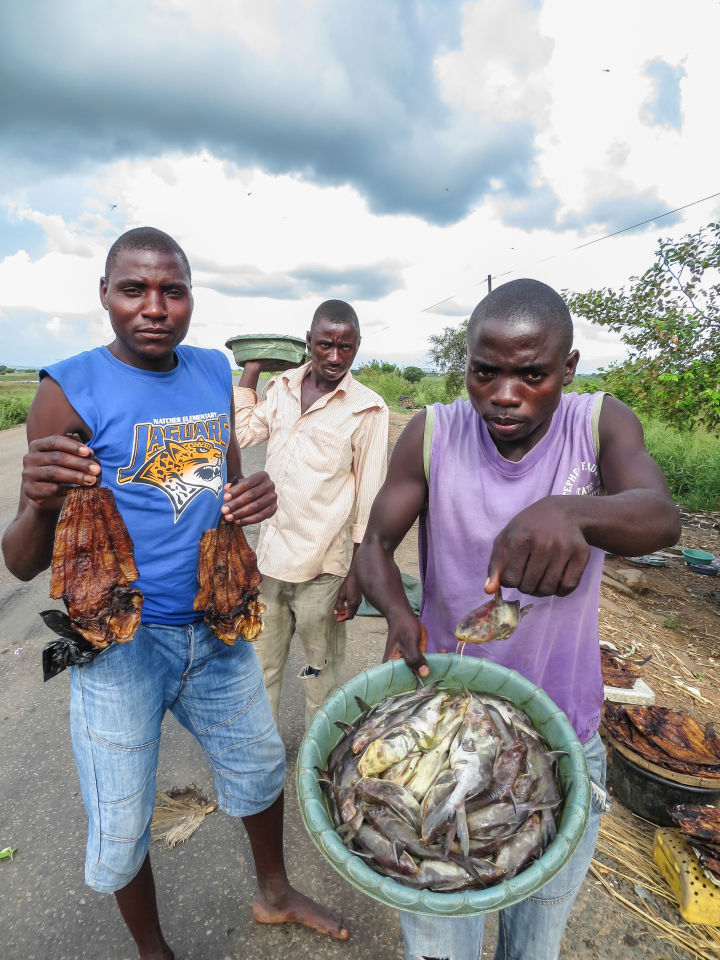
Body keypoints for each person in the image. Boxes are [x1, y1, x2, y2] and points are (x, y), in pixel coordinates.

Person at [1, 227, 348, 959]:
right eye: (134, 289)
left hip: (215, 629)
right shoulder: (67, 388)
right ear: (105, 295)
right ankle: (154, 952)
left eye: (173, 290)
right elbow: (22, 562)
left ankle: (274, 894)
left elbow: (221, 482)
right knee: (124, 820)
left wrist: (252, 495)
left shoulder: (209, 372)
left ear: (192, 298)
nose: (154, 306)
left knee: (258, 769)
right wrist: (36, 505)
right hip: (119, 645)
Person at [355, 278, 680, 960]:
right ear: (466, 366)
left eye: (532, 374)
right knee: (442, 938)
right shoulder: (433, 433)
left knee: (535, 942)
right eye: (486, 372)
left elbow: (659, 516)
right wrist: (396, 613)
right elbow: (375, 546)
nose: (505, 394)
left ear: (567, 368)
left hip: (566, 734)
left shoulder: (599, 424)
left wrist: (572, 512)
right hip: (445, 731)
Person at [234, 300, 388, 729]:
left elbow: (371, 503)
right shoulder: (281, 387)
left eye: (346, 347)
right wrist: (252, 369)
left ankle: (318, 760)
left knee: (318, 677)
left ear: (357, 347)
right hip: (270, 564)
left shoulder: (368, 408)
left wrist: (356, 578)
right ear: (309, 343)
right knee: (261, 669)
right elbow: (244, 432)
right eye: (325, 344)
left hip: (324, 571)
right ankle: (261, 759)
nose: (335, 357)